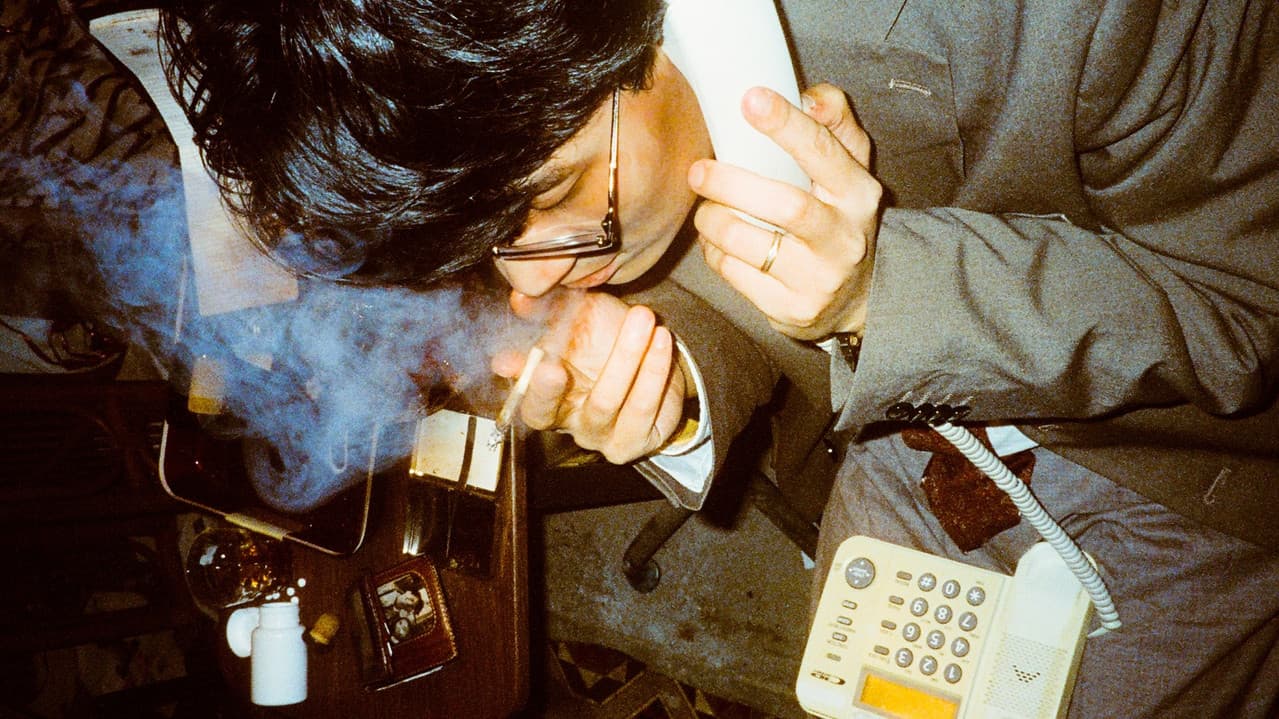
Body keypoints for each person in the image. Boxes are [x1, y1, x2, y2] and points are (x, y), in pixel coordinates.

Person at [159, 0, 1279, 716]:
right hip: (898, 456)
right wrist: (668, 381)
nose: (531, 288)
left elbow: (1249, 307)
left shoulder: (1075, 17)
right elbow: (713, 297)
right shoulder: (554, 132)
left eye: (550, 199)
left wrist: (884, 289)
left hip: (1184, 472)